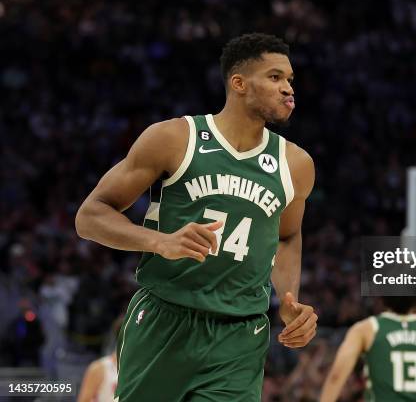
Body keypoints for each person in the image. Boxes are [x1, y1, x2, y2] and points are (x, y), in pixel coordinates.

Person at [75, 32, 317, 401]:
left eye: (290, 80)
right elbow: (90, 216)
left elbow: (286, 236)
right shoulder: (174, 138)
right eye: (274, 77)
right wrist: (160, 241)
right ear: (238, 83)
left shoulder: (296, 164)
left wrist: (289, 298)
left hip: (239, 333)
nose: (288, 89)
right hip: (164, 318)